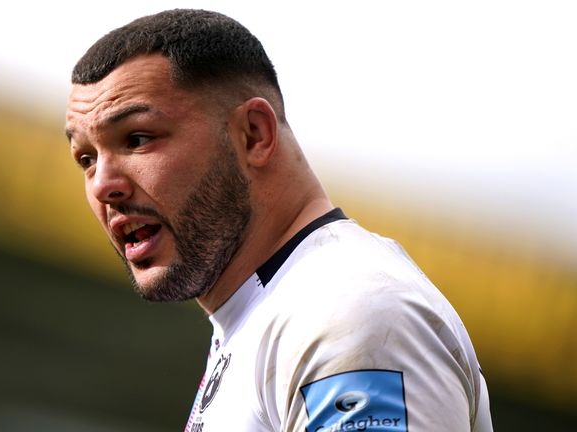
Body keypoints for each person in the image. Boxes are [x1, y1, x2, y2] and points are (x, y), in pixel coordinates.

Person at [65, 9, 493, 432]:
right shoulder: (272, 314)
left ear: (254, 134)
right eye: (86, 159)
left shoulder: (347, 314)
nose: (103, 185)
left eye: (137, 139)